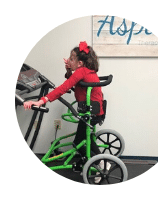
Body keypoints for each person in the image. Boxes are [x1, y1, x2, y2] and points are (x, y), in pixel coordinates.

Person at [23, 41, 110, 183]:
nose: (68, 60)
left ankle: (102, 164)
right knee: (87, 138)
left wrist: (41, 101)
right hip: (95, 109)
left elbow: (64, 87)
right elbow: (73, 80)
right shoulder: (86, 70)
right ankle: (98, 161)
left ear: (80, 63)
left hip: (91, 111)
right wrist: (70, 69)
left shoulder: (81, 71)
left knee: (79, 143)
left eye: (72, 58)